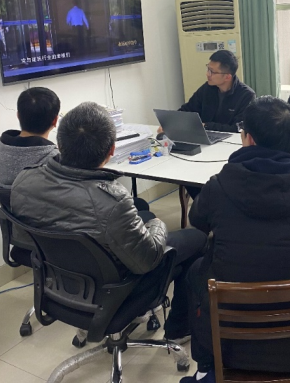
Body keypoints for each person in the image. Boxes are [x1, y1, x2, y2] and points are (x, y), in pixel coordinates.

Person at [181, 96, 290, 383]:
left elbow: (197, 220)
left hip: (232, 348)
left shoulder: (219, 188)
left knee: (197, 270)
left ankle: (206, 366)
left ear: (248, 139)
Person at [11, 102, 207, 342]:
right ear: (112, 150)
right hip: (114, 289)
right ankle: (179, 328)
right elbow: (147, 260)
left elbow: (25, 239)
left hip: (59, 282)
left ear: (59, 144)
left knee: (142, 215)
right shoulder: (112, 202)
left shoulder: (24, 180)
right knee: (197, 238)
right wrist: (158, 224)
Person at [0, 87, 60, 188]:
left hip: (8, 198)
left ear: (18, 116)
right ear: (55, 121)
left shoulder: (3, 146)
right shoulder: (54, 159)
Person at [178, 50, 255, 133]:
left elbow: (238, 128)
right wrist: (175, 120)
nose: (207, 74)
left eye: (212, 71)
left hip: (230, 139)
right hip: (205, 136)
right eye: (208, 69)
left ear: (227, 77)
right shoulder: (207, 88)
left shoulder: (246, 95)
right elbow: (187, 110)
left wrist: (206, 126)